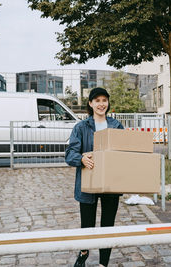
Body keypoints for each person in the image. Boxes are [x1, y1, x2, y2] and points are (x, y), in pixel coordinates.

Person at [65, 87, 124, 267]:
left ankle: (103, 264)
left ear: (108, 103)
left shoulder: (116, 126)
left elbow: (124, 152)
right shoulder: (81, 127)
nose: (101, 104)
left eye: (104, 100)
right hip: (88, 183)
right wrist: (81, 158)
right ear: (90, 104)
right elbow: (69, 154)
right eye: (97, 100)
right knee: (87, 225)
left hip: (110, 184)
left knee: (107, 225)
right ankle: (83, 253)